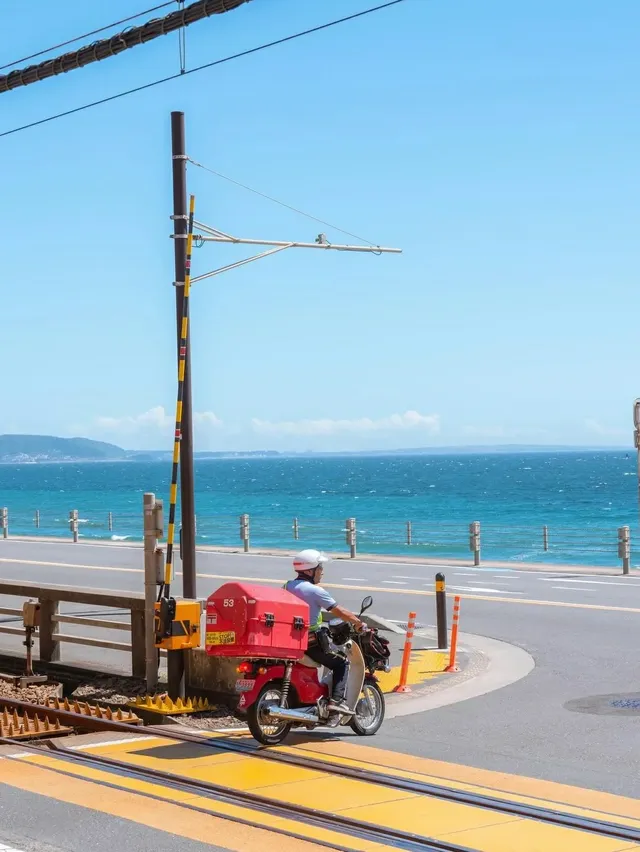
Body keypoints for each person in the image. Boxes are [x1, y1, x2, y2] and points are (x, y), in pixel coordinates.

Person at [284, 549, 366, 716]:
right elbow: (339, 611)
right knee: (341, 663)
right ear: (309, 570)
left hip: (289, 639)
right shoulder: (316, 591)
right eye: (320, 568)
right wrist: (358, 623)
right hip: (310, 641)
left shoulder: (287, 586)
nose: (322, 571)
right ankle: (336, 702)